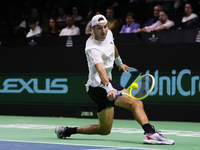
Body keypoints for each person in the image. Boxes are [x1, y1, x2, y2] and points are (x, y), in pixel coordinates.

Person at [55, 14, 175, 145]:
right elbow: (100, 69)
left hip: (103, 86)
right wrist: (109, 88)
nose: (104, 30)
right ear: (93, 29)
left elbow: (112, 46)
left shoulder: (108, 34)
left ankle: (66, 131)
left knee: (104, 129)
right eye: (100, 28)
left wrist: (120, 63)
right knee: (136, 103)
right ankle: (150, 134)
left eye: (105, 27)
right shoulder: (92, 47)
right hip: (98, 86)